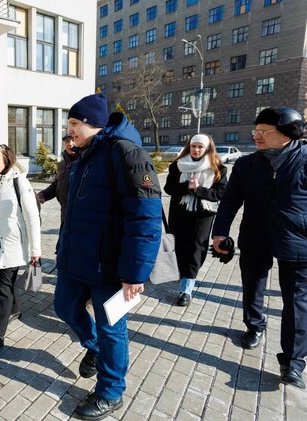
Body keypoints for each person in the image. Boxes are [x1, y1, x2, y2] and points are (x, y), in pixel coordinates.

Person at [53, 93, 162, 419]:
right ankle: (97, 349)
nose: (69, 130)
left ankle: (111, 392)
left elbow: (145, 216)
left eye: (74, 123)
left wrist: (135, 274)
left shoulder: (126, 153)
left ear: (93, 124)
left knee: (113, 327)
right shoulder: (87, 154)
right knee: (64, 306)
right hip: (77, 258)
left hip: (112, 267)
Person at [212, 107, 307, 389]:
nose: (257, 137)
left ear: (287, 135)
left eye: (265, 132)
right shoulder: (245, 165)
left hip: (297, 239)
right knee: (253, 284)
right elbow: (230, 201)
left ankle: (293, 362)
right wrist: (219, 233)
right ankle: (254, 326)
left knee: (296, 301)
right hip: (254, 235)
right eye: (256, 131)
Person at [0, 145, 41, 351]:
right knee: (7, 281)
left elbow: (32, 217)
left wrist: (35, 250)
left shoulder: (19, 181)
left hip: (13, 244)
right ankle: (15, 309)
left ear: (7, 160)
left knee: (3, 286)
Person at [164, 134, 227, 307]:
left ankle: (186, 290)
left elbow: (220, 194)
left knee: (195, 250)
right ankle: (181, 274)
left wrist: (198, 190)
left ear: (207, 148)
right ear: (189, 147)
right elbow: (169, 188)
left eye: (200, 147)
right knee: (178, 247)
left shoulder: (218, 168)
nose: (196, 150)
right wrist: (186, 187)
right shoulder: (178, 165)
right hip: (180, 213)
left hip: (202, 216)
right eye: (194, 146)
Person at [37, 134, 78, 223]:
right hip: (65, 215)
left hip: (80, 217)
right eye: (67, 141)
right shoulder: (62, 165)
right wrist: (43, 195)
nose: (70, 144)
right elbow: (56, 186)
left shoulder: (86, 163)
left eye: (73, 140)